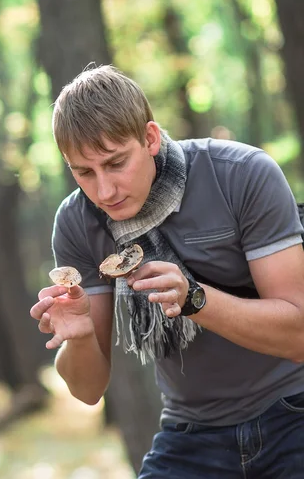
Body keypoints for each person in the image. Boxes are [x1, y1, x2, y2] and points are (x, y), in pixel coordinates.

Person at [30, 64, 304, 478]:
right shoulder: (77, 223)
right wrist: (81, 336)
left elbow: (300, 335)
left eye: (116, 163)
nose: (104, 191)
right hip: (192, 432)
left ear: (150, 138)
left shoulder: (241, 174)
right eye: (84, 172)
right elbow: (88, 391)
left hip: (293, 407)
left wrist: (196, 300)